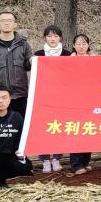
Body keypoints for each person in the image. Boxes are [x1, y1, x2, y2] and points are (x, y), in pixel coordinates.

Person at [32, 25, 72, 173]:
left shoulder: (68, 54)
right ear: (45, 38)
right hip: (43, 96)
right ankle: (45, 160)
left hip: (62, 97)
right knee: (43, 127)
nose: (52, 39)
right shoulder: (38, 54)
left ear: (60, 38)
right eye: (49, 36)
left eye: (55, 36)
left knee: (58, 127)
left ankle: (56, 158)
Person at [69, 33, 94, 174]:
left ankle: (86, 161)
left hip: (90, 100)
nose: (81, 46)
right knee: (77, 130)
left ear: (88, 45)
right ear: (73, 46)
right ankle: (76, 164)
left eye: (84, 44)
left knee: (88, 130)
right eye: (78, 44)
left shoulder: (94, 60)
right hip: (74, 101)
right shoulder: (68, 61)